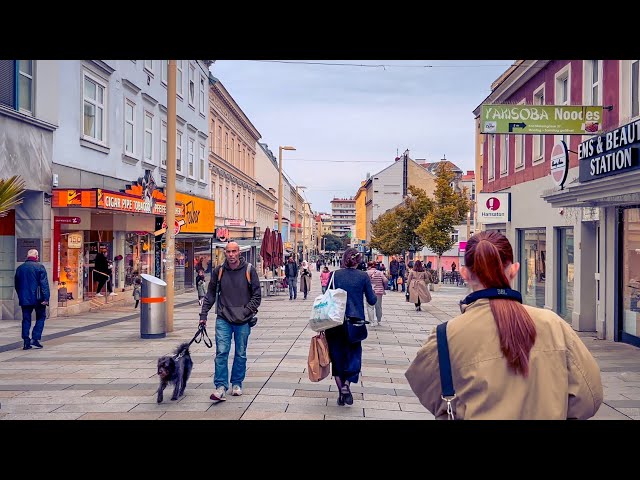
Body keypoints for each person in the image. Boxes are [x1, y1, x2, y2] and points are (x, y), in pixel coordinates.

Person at [405, 231, 603, 420]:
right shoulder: (554, 325)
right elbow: (589, 398)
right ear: (514, 270)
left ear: (465, 274)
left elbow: (430, 394)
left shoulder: (445, 336)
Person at [199, 241, 261, 402]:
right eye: (228, 252)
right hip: (223, 318)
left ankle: (237, 383)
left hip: (243, 320)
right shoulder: (219, 271)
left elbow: (257, 295)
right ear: (225, 253)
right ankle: (220, 387)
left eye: (234, 251)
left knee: (240, 353)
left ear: (239, 252)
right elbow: (211, 294)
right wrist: (203, 316)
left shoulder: (249, 270)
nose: (231, 254)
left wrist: (246, 310)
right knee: (221, 352)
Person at [325, 248, 377, 406]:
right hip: (355, 323)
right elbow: (372, 300)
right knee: (353, 355)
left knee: (337, 358)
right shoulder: (363, 276)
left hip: (335, 322)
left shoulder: (335, 275)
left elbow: (326, 294)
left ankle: (341, 391)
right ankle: (347, 385)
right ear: (358, 260)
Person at [15, 249, 50, 350]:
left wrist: (21, 296)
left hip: (25, 298)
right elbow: (44, 284)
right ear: (36, 256)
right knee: (41, 317)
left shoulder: (20, 268)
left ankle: (26, 341)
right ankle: (35, 338)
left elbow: (17, 285)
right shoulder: (39, 267)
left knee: (26, 319)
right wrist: (46, 298)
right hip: (38, 299)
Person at [366, 261, 387, 326]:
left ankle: (371, 322)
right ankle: (379, 320)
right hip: (379, 291)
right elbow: (385, 280)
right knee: (378, 306)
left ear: (368, 266)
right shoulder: (380, 273)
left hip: (369, 291)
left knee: (370, 307)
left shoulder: (366, 273)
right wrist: (384, 287)